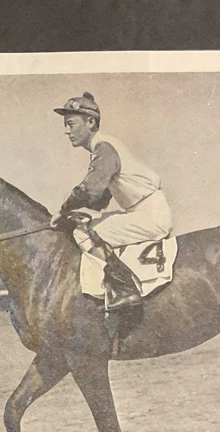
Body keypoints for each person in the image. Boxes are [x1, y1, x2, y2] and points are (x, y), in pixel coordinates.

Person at [51, 92, 173, 311]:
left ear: (90, 122)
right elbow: (101, 195)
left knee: (83, 232)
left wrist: (63, 211)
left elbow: (90, 188)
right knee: (85, 224)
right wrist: (80, 212)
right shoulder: (105, 147)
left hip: (149, 214)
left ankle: (125, 289)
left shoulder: (104, 148)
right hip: (143, 211)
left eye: (71, 124)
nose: (66, 130)